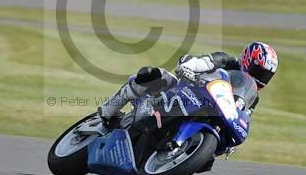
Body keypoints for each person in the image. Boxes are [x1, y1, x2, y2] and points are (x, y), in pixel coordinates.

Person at [97, 41, 278, 124]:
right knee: (155, 75)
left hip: (208, 113)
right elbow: (198, 62)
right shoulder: (224, 61)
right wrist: (188, 68)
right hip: (185, 91)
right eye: (259, 71)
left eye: (266, 76)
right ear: (248, 59)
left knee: (207, 162)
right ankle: (108, 109)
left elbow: (243, 117)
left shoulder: (252, 97)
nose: (260, 78)